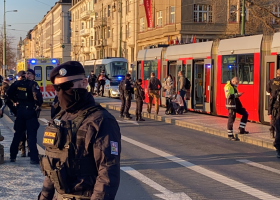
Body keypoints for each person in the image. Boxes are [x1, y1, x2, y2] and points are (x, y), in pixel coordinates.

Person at [38, 61, 121, 200]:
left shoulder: (101, 120)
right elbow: (52, 167)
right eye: (57, 88)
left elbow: (107, 173)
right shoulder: (60, 118)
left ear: (83, 83)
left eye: (66, 86)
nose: (61, 92)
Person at [7, 70, 43, 164]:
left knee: (18, 134)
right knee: (31, 135)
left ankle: (12, 156)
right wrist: (38, 104)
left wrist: (15, 100)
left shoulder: (17, 83)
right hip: (30, 111)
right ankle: (34, 158)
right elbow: (37, 96)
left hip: (20, 111)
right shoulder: (33, 84)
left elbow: (9, 92)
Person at [266, 69, 280, 139]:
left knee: (273, 119)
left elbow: (268, 92)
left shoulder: (271, 81)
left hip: (273, 103)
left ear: (276, 73)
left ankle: (272, 131)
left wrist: (269, 112)